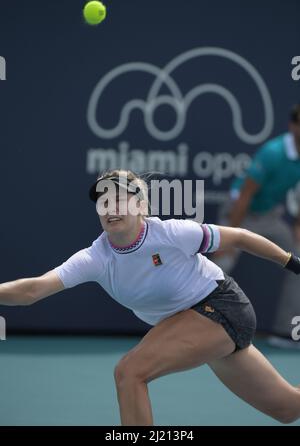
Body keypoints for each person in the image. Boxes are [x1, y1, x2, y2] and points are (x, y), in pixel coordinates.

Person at [1, 168, 300, 426]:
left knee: (129, 372)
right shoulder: (95, 258)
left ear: (141, 205)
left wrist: (292, 262)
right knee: (287, 408)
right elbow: (32, 290)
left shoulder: (171, 233)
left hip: (222, 308)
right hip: (195, 324)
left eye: (119, 198)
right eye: (104, 201)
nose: (110, 207)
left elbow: (240, 237)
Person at [213, 103, 300, 341]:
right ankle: (192, 324)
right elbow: (245, 196)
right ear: (293, 126)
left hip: (270, 216)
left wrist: (297, 226)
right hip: (240, 212)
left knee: (298, 261)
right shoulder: (273, 153)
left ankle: (285, 332)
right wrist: (230, 238)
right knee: (221, 264)